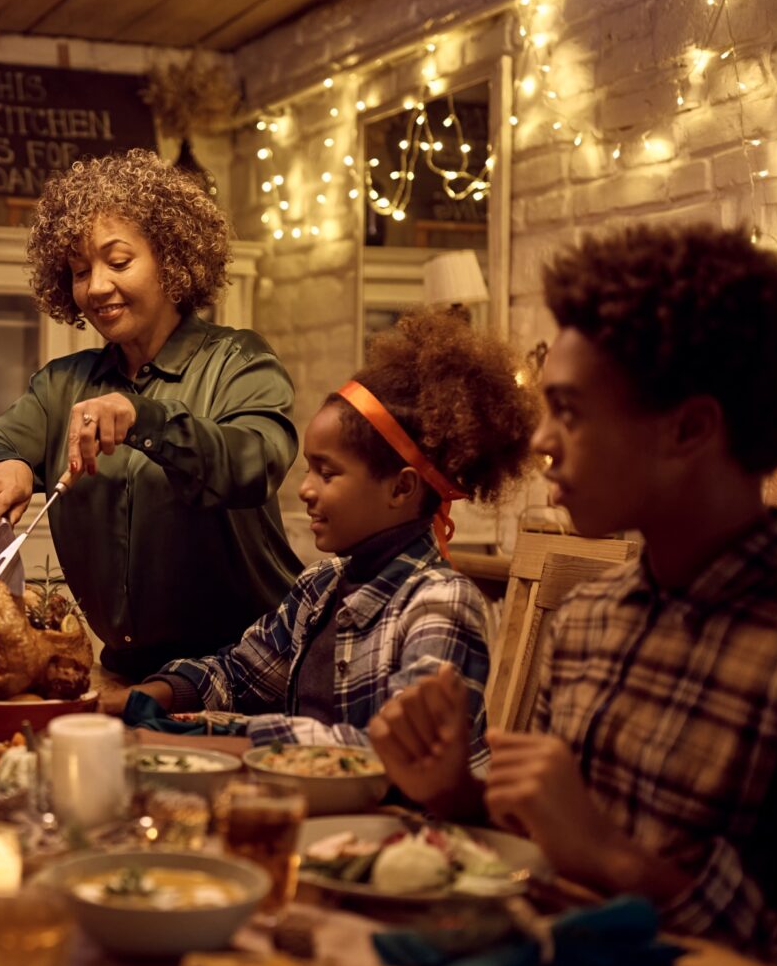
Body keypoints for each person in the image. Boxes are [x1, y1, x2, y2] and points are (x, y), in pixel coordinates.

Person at [369, 225, 777, 966]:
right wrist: (459, 796)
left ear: (690, 427)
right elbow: (552, 856)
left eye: (570, 410)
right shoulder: (585, 620)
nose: (542, 439)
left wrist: (617, 860)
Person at [101, 308, 538, 756]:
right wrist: (135, 701)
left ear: (401, 487)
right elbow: (239, 674)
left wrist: (180, 742)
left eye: (327, 474)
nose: (305, 490)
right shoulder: (322, 585)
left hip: (404, 823)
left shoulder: (439, 604)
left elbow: (385, 754)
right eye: (309, 469)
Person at [0, 149, 303, 679]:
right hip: (125, 671)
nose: (95, 287)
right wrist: (6, 463)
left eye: (118, 263)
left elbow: (256, 462)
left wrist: (147, 419)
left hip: (253, 669)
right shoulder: (63, 384)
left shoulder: (238, 360)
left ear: (172, 258)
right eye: (78, 270)